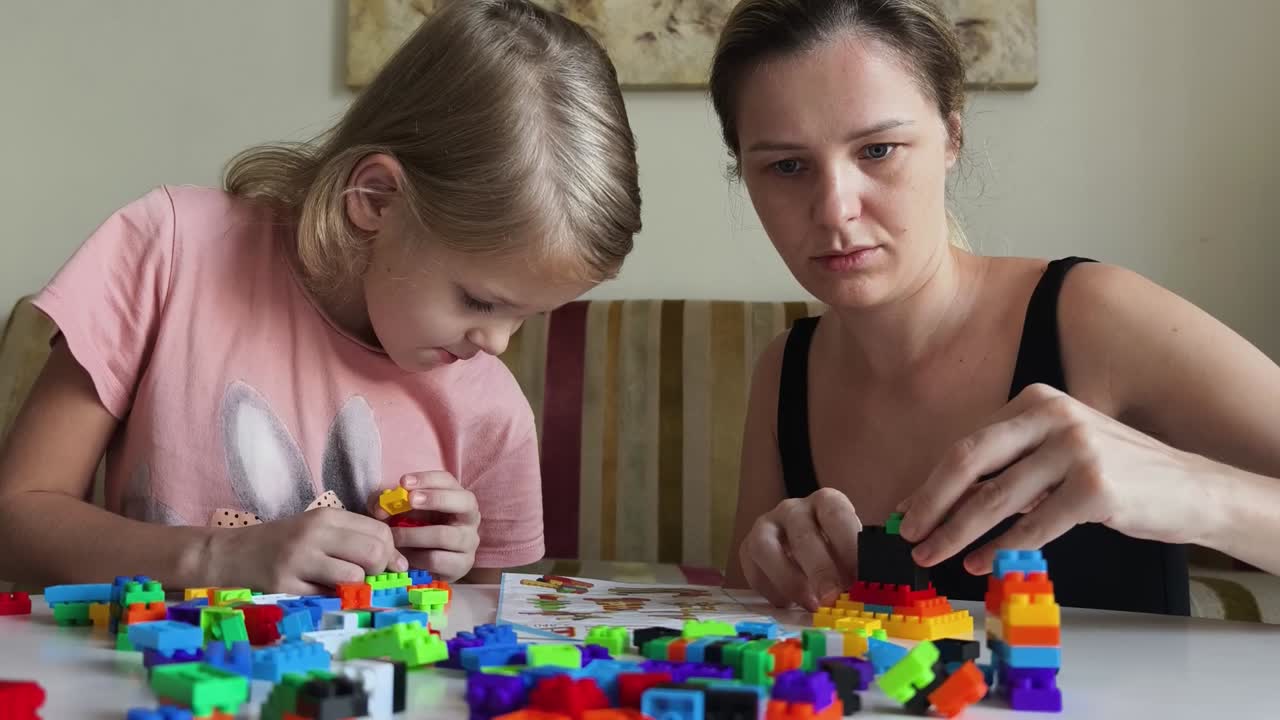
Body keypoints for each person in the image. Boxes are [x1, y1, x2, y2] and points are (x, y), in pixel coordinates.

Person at [0, 0, 641, 594]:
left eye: (527, 316)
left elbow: (493, 644)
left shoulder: (492, 409)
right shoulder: (169, 253)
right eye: (478, 301)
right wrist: (214, 558)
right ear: (375, 201)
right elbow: (15, 522)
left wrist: (457, 563)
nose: (497, 344)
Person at [713, 0, 1280, 614]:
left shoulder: (1093, 318)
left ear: (952, 137)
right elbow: (748, 630)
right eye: (787, 166)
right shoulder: (784, 369)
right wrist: (772, 562)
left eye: (878, 150)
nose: (835, 209)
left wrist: (1192, 491)